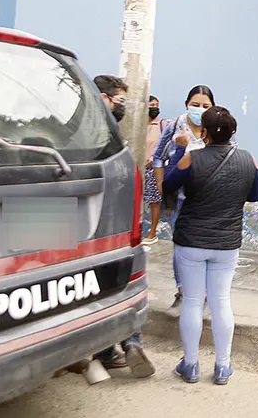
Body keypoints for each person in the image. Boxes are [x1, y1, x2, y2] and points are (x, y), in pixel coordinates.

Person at [163, 106, 258, 385]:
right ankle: (222, 367)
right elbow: (255, 194)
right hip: (227, 243)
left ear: (203, 132)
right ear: (234, 132)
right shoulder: (248, 160)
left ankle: (191, 365)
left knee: (193, 301)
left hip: (191, 241)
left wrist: (180, 150)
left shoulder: (191, 159)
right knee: (221, 302)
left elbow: (168, 186)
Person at [91, 75, 155, 378]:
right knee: (121, 284)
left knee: (113, 285)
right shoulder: (95, 136)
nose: (123, 106)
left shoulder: (105, 134)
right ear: (102, 98)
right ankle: (125, 342)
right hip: (104, 229)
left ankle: (115, 347)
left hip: (112, 227)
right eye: (119, 99)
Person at [152, 85, 236, 308]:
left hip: (207, 199)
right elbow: (158, 157)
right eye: (195, 105)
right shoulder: (174, 126)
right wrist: (162, 186)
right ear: (186, 105)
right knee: (181, 246)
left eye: (205, 106)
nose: (199, 109)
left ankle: (204, 293)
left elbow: (228, 156)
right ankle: (183, 291)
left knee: (204, 247)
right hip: (177, 198)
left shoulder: (217, 128)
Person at [143, 95, 169, 245]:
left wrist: (154, 160)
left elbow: (166, 147)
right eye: (151, 105)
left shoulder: (163, 125)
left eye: (156, 105)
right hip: (139, 168)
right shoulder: (140, 127)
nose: (154, 108)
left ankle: (152, 232)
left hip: (154, 169)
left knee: (154, 202)